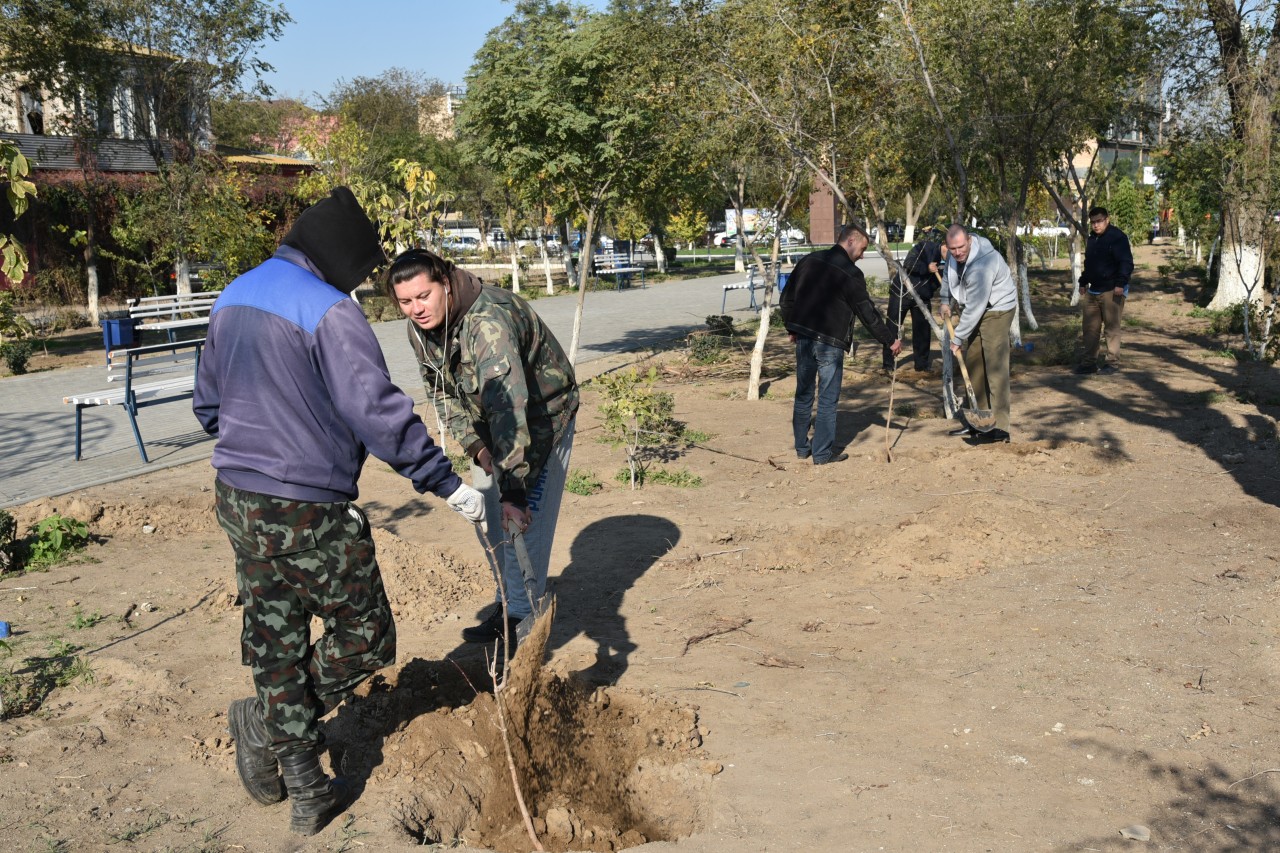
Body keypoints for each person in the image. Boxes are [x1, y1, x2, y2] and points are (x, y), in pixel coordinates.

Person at [193, 187, 485, 836]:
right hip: (308, 508)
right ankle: (271, 724)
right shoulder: (328, 313)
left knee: (277, 637)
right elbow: (377, 414)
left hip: (237, 498)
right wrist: (445, 482)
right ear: (339, 260)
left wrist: (256, 431)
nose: (357, 286)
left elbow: (207, 405)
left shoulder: (233, 294)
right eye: (358, 274)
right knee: (366, 634)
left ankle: (305, 789)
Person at [386, 248, 579, 655]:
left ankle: (523, 629)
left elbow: (511, 409)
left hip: (541, 419)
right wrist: (475, 446)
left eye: (424, 296)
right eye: (405, 302)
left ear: (444, 283)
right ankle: (507, 604)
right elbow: (438, 392)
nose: (416, 309)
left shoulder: (488, 324)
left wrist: (514, 491)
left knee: (524, 523)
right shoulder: (420, 329)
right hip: (492, 426)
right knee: (494, 525)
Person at [780, 224, 902, 465]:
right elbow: (868, 314)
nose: (862, 255)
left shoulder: (808, 260)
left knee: (803, 394)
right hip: (830, 344)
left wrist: (792, 327)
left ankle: (802, 449)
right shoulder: (851, 274)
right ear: (850, 242)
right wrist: (890, 341)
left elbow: (786, 299)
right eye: (862, 249)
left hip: (804, 338)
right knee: (827, 398)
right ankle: (822, 454)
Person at [940, 224, 1017, 443]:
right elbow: (947, 275)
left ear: (970, 240)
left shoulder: (983, 263)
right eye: (953, 248)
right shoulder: (954, 257)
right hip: (976, 309)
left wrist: (957, 338)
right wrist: (945, 301)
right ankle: (979, 424)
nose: (957, 252)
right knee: (974, 365)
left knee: (995, 367)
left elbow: (975, 307)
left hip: (997, 310)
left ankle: (1000, 428)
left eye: (961, 247)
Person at [1075, 206, 1133, 375]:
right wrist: (1083, 281)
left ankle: (1112, 363)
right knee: (1090, 329)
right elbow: (1090, 263)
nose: (1096, 225)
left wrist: (1121, 283)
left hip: (1112, 290)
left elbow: (1126, 262)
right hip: (1093, 291)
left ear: (1107, 219)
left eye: (1099, 221)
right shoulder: (1093, 238)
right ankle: (1089, 363)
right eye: (1093, 222)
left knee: (1111, 328)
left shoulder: (1117, 237)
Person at [883, 230, 944, 372]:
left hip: (922, 297)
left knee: (923, 331)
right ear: (944, 244)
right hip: (901, 292)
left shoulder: (951, 261)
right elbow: (909, 263)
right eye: (950, 249)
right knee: (892, 327)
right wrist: (926, 268)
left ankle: (922, 365)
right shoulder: (925, 247)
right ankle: (887, 365)